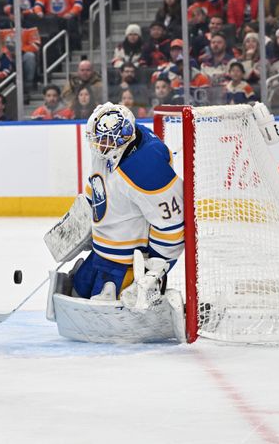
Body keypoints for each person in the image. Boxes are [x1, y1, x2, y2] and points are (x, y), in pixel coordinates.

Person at [47, 104, 185, 340]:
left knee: (99, 316)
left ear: (121, 141)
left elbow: (173, 225)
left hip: (127, 264)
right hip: (100, 253)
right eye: (96, 140)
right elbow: (98, 185)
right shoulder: (111, 143)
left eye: (104, 142)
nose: (97, 146)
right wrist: (84, 223)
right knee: (78, 291)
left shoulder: (147, 168)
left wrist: (156, 271)